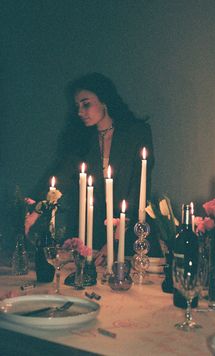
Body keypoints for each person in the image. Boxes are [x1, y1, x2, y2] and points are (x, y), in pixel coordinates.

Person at [29, 72, 159, 263]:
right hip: (94, 237)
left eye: (86, 104)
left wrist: (115, 241)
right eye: (77, 107)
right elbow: (59, 179)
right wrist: (35, 210)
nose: (80, 112)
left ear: (104, 100)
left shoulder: (136, 133)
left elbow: (139, 188)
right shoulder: (81, 141)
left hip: (134, 236)